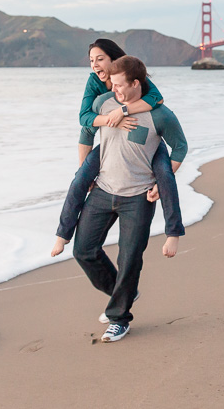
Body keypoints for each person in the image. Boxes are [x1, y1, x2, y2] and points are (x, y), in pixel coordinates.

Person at [56, 56, 186, 342]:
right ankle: (124, 293)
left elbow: (180, 146)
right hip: (102, 190)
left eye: (119, 86)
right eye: (111, 85)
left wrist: (160, 182)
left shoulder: (161, 115)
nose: (113, 90)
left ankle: (119, 319)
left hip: (138, 197)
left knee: (129, 259)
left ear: (136, 84)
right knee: (84, 251)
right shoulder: (103, 103)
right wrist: (84, 172)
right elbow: (86, 128)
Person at [50, 39, 179, 256]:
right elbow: (85, 119)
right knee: (79, 179)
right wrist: (113, 119)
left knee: (165, 176)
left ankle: (173, 233)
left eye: (100, 59)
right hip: (112, 142)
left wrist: (124, 110)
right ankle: (62, 235)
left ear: (114, 60)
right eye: (91, 60)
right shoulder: (94, 83)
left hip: (147, 141)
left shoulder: (131, 75)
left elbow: (157, 98)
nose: (95, 65)